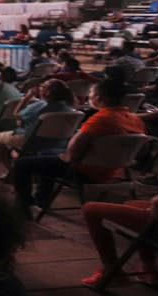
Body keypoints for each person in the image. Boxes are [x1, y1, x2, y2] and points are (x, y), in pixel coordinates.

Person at [79, 103, 158, 287]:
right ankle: (149, 270)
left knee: (91, 209)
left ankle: (111, 269)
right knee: (132, 204)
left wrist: (157, 202)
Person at [11, 78, 146, 215]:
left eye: (91, 93)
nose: (89, 96)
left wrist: (65, 156)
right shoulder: (136, 119)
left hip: (85, 171)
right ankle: (41, 201)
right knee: (45, 157)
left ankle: (26, 205)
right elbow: (141, 150)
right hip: (114, 171)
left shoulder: (100, 119)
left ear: (98, 98)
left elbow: (73, 151)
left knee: (22, 163)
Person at [0, 80, 76, 175]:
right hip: (59, 143)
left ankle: (12, 171)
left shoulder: (40, 105)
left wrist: (26, 98)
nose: (39, 87)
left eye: (42, 86)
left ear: (47, 92)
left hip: (32, 140)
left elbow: (16, 114)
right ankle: (18, 158)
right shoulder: (70, 108)